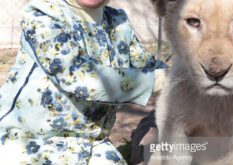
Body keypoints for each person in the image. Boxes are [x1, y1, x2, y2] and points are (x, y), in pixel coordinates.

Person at [0, 0, 165, 164]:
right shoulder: (43, 15)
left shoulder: (117, 21)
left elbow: (146, 64)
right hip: (29, 142)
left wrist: (184, 76)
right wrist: (164, 81)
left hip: (91, 144)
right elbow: (80, 77)